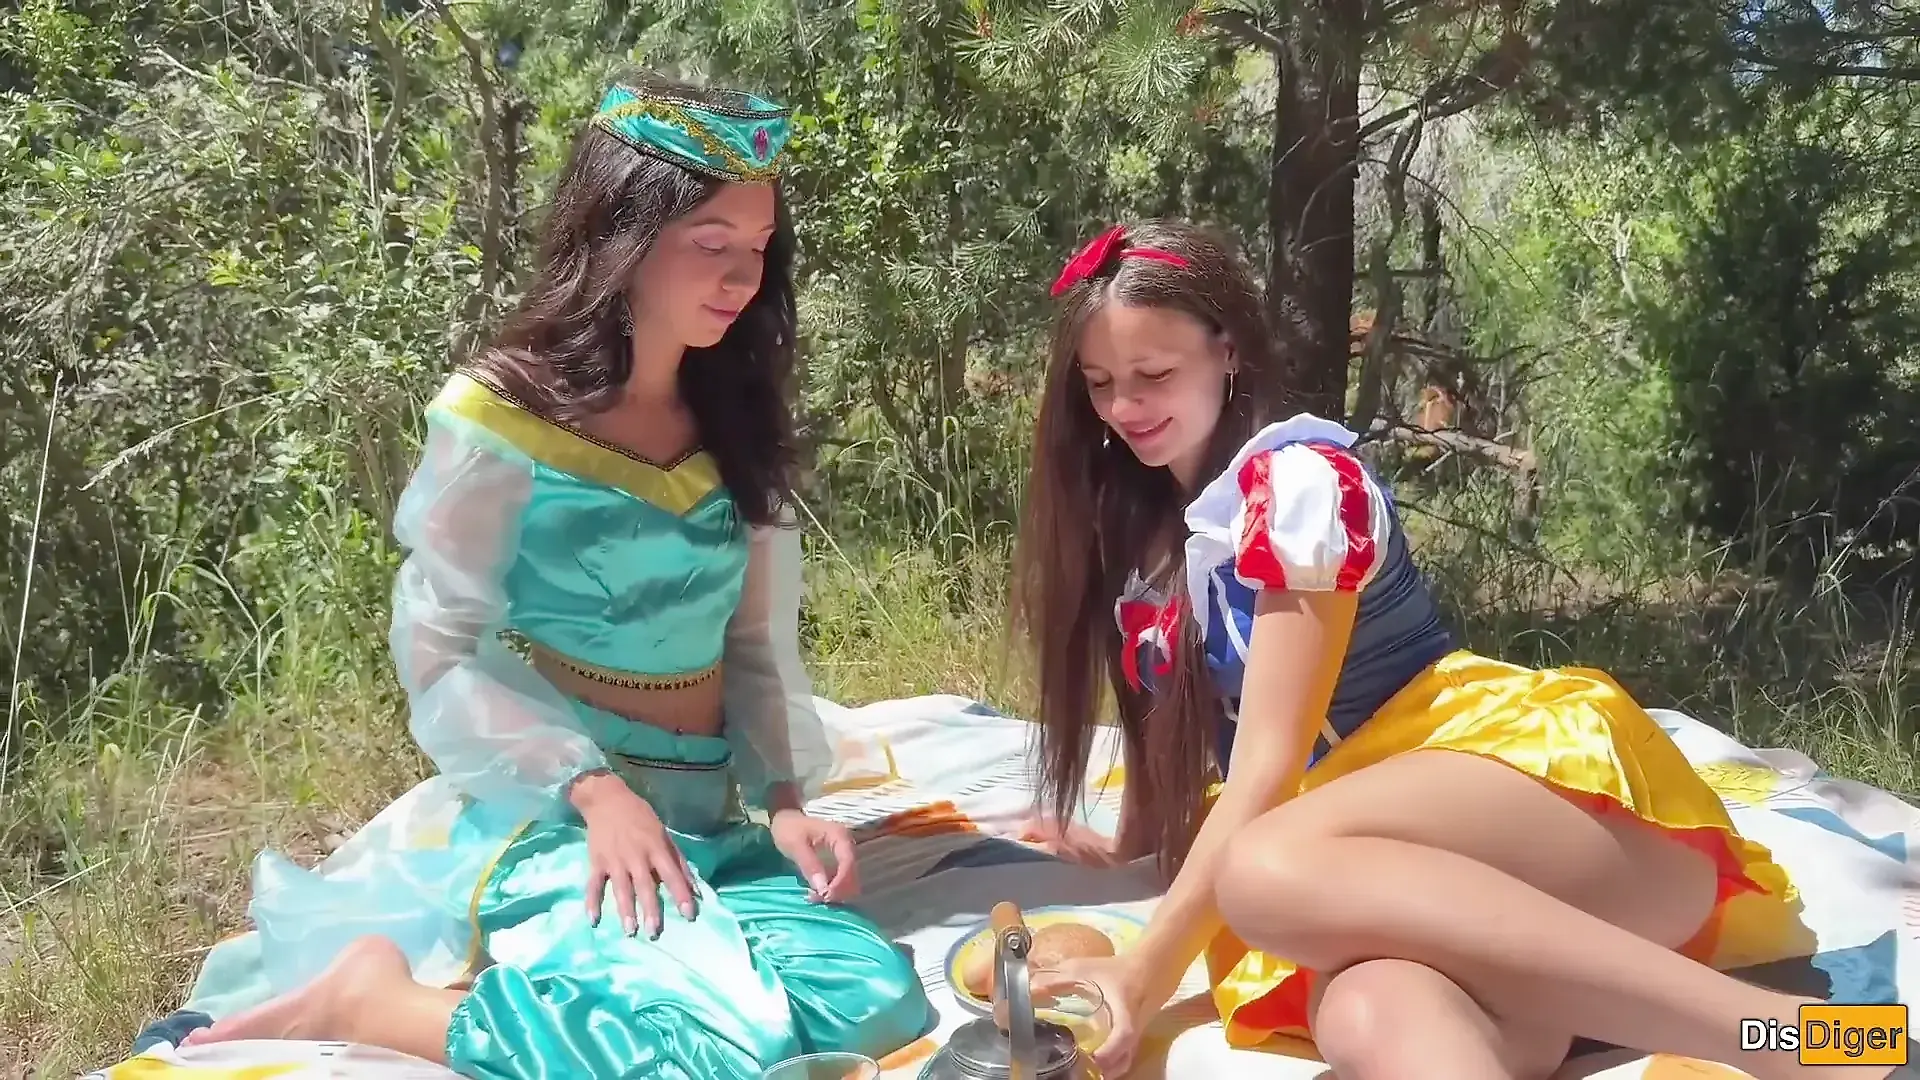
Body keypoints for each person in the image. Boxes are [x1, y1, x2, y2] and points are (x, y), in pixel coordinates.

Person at [164, 71, 929, 1079]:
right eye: (711, 243)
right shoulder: (500, 420)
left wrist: (785, 798)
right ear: (623, 233)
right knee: (707, 1058)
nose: (742, 277)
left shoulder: (737, 419)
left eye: (758, 247)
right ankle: (375, 1001)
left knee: (876, 1001)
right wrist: (595, 793)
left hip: (710, 816)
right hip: (565, 815)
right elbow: (443, 647)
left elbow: (754, 643)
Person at [1009, 219, 1899, 1080]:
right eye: (1100, 383)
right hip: (1443, 905)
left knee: (1260, 869)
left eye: (1155, 373)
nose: (1125, 407)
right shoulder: (1158, 528)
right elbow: (1183, 716)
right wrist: (1130, 844)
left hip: (1572, 838)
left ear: (1229, 350)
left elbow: (1266, 771)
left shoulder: (1300, 486)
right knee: (1368, 1016)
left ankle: (1800, 1043)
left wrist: (1143, 974)